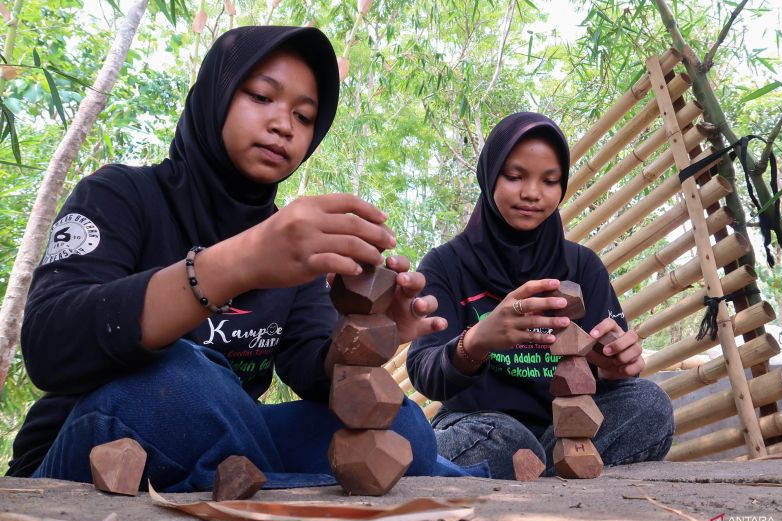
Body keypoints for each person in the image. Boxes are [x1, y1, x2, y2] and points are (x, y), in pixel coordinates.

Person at [6, 25, 474, 491]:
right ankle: (291, 489)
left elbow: (313, 370)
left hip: (227, 439)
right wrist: (239, 263)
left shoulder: (292, 244)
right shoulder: (120, 196)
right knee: (184, 378)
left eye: (304, 116)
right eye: (261, 97)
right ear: (216, 94)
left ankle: (255, 485)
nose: (283, 124)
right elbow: (49, 344)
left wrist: (364, 335)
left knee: (403, 427)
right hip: (89, 443)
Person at [406, 112, 674, 480]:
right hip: (480, 426)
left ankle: (535, 474)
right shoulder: (446, 264)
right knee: (499, 439)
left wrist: (615, 365)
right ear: (489, 175)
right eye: (515, 177)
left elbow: (610, 366)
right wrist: (478, 340)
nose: (532, 193)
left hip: (569, 429)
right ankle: (549, 474)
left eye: (549, 181)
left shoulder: (582, 267)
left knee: (649, 404)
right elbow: (424, 372)